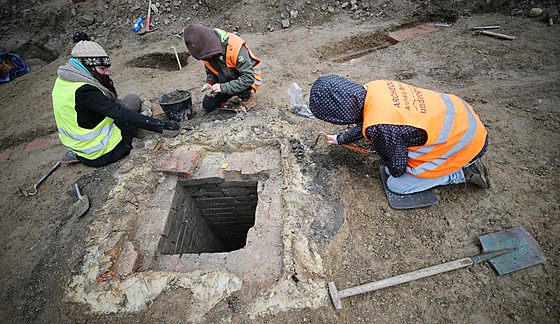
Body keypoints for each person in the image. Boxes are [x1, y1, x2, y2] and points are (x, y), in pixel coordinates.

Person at [309, 75, 489, 195]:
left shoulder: (381, 127)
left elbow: (397, 166)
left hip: (466, 143)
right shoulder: (374, 88)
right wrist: (341, 139)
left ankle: (461, 172)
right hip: (462, 119)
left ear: (339, 114)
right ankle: (461, 160)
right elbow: (371, 120)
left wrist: (384, 156)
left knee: (396, 184)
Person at [52, 32, 180, 167]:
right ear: (88, 66)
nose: (107, 72)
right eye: (102, 68)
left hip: (80, 147)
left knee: (125, 103)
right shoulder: (85, 91)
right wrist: (161, 125)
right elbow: (120, 113)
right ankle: (143, 116)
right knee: (132, 101)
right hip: (103, 152)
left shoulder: (64, 80)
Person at [183, 24, 262, 112]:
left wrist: (223, 88)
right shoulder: (205, 52)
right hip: (227, 79)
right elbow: (211, 71)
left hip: (249, 79)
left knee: (225, 76)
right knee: (208, 105)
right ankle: (232, 90)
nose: (206, 60)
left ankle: (247, 98)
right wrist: (210, 83)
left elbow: (248, 78)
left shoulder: (234, 47)